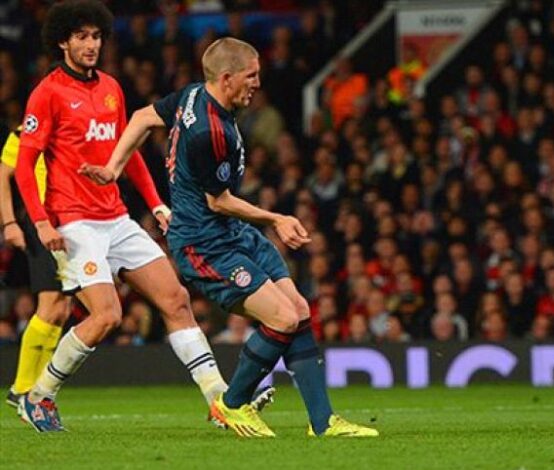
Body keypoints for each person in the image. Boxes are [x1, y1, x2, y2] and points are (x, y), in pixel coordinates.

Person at [82, 37, 378, 438]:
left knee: (299, 311)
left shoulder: (192, 95)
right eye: (251, 76)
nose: (257, 84)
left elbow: (141, 117)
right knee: (283, 318)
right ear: (226, 78)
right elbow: (217, 200)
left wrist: (113, 168)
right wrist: (276, 218)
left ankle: (323, 423)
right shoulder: (210, 131)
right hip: (204, 245)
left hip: (231, 233)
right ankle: (232, 404)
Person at [14, 0, 227, 432]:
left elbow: (127, 153)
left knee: (176, 299)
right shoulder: (48, 92)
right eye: (81, 37)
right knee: (106, 316)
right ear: (63, 42)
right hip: (74, 221)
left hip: (116, 217)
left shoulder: (111, 87)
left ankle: (220, 399)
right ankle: (38, 397)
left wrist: (156, 204)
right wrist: (40, 221)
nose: (91, 44)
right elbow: (23, 165)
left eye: (96, 36)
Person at [1, 127, 70, 407]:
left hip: (71, 221)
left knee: (62, 309)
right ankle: (23, 389)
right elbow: (3, 175)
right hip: (42, 222)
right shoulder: (26, 131)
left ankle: (39, 391)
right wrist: (9, 223)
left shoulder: (71, 126)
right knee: (50, 304)